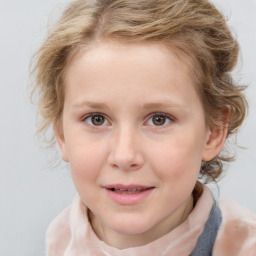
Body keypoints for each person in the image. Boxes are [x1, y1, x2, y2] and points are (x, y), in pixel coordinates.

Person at [31, 0, 256, 255]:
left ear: (213, 131)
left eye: (159, 119)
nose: (125, 156)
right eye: (97, 119)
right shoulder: (56, 242)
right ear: (61, 134)